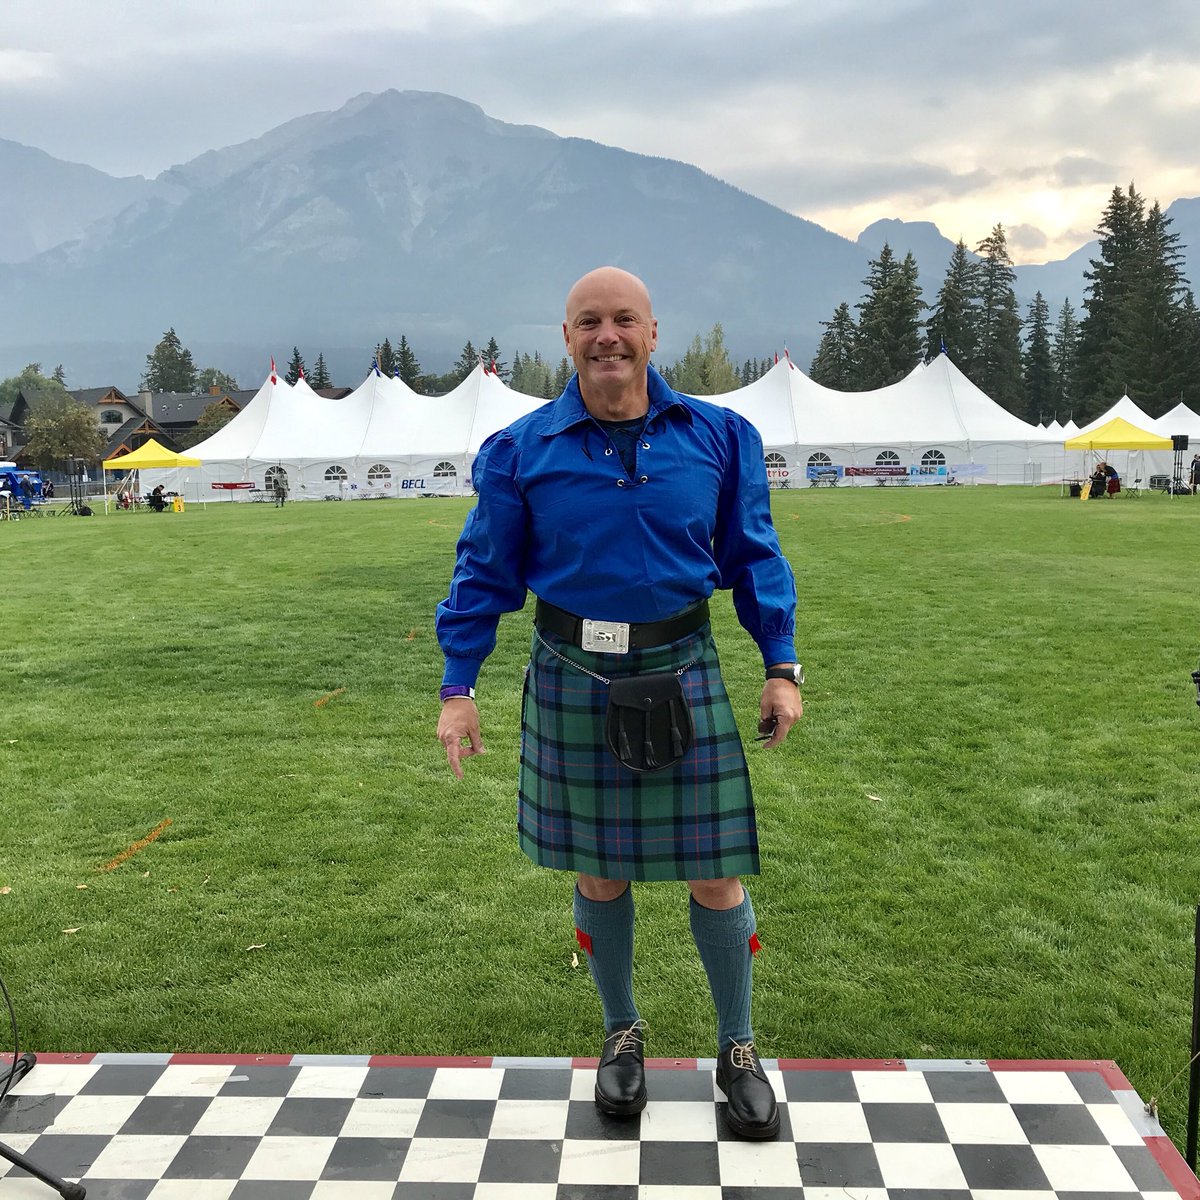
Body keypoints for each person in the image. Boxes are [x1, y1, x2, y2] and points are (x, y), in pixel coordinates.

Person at [435, 267, 802, 1140]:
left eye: (623, 320)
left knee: (715, 871)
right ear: (566, 338)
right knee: (598, 869)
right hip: (573, 669)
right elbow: (482, 570)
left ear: (652, 332)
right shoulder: (521, 449)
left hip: (684, 663)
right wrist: (459, 684)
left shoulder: (720, 436)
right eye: (589, 322)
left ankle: (738, 1047)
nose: (608, 336)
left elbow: (754, 555)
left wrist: (781, 664)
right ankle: (620, 1035)